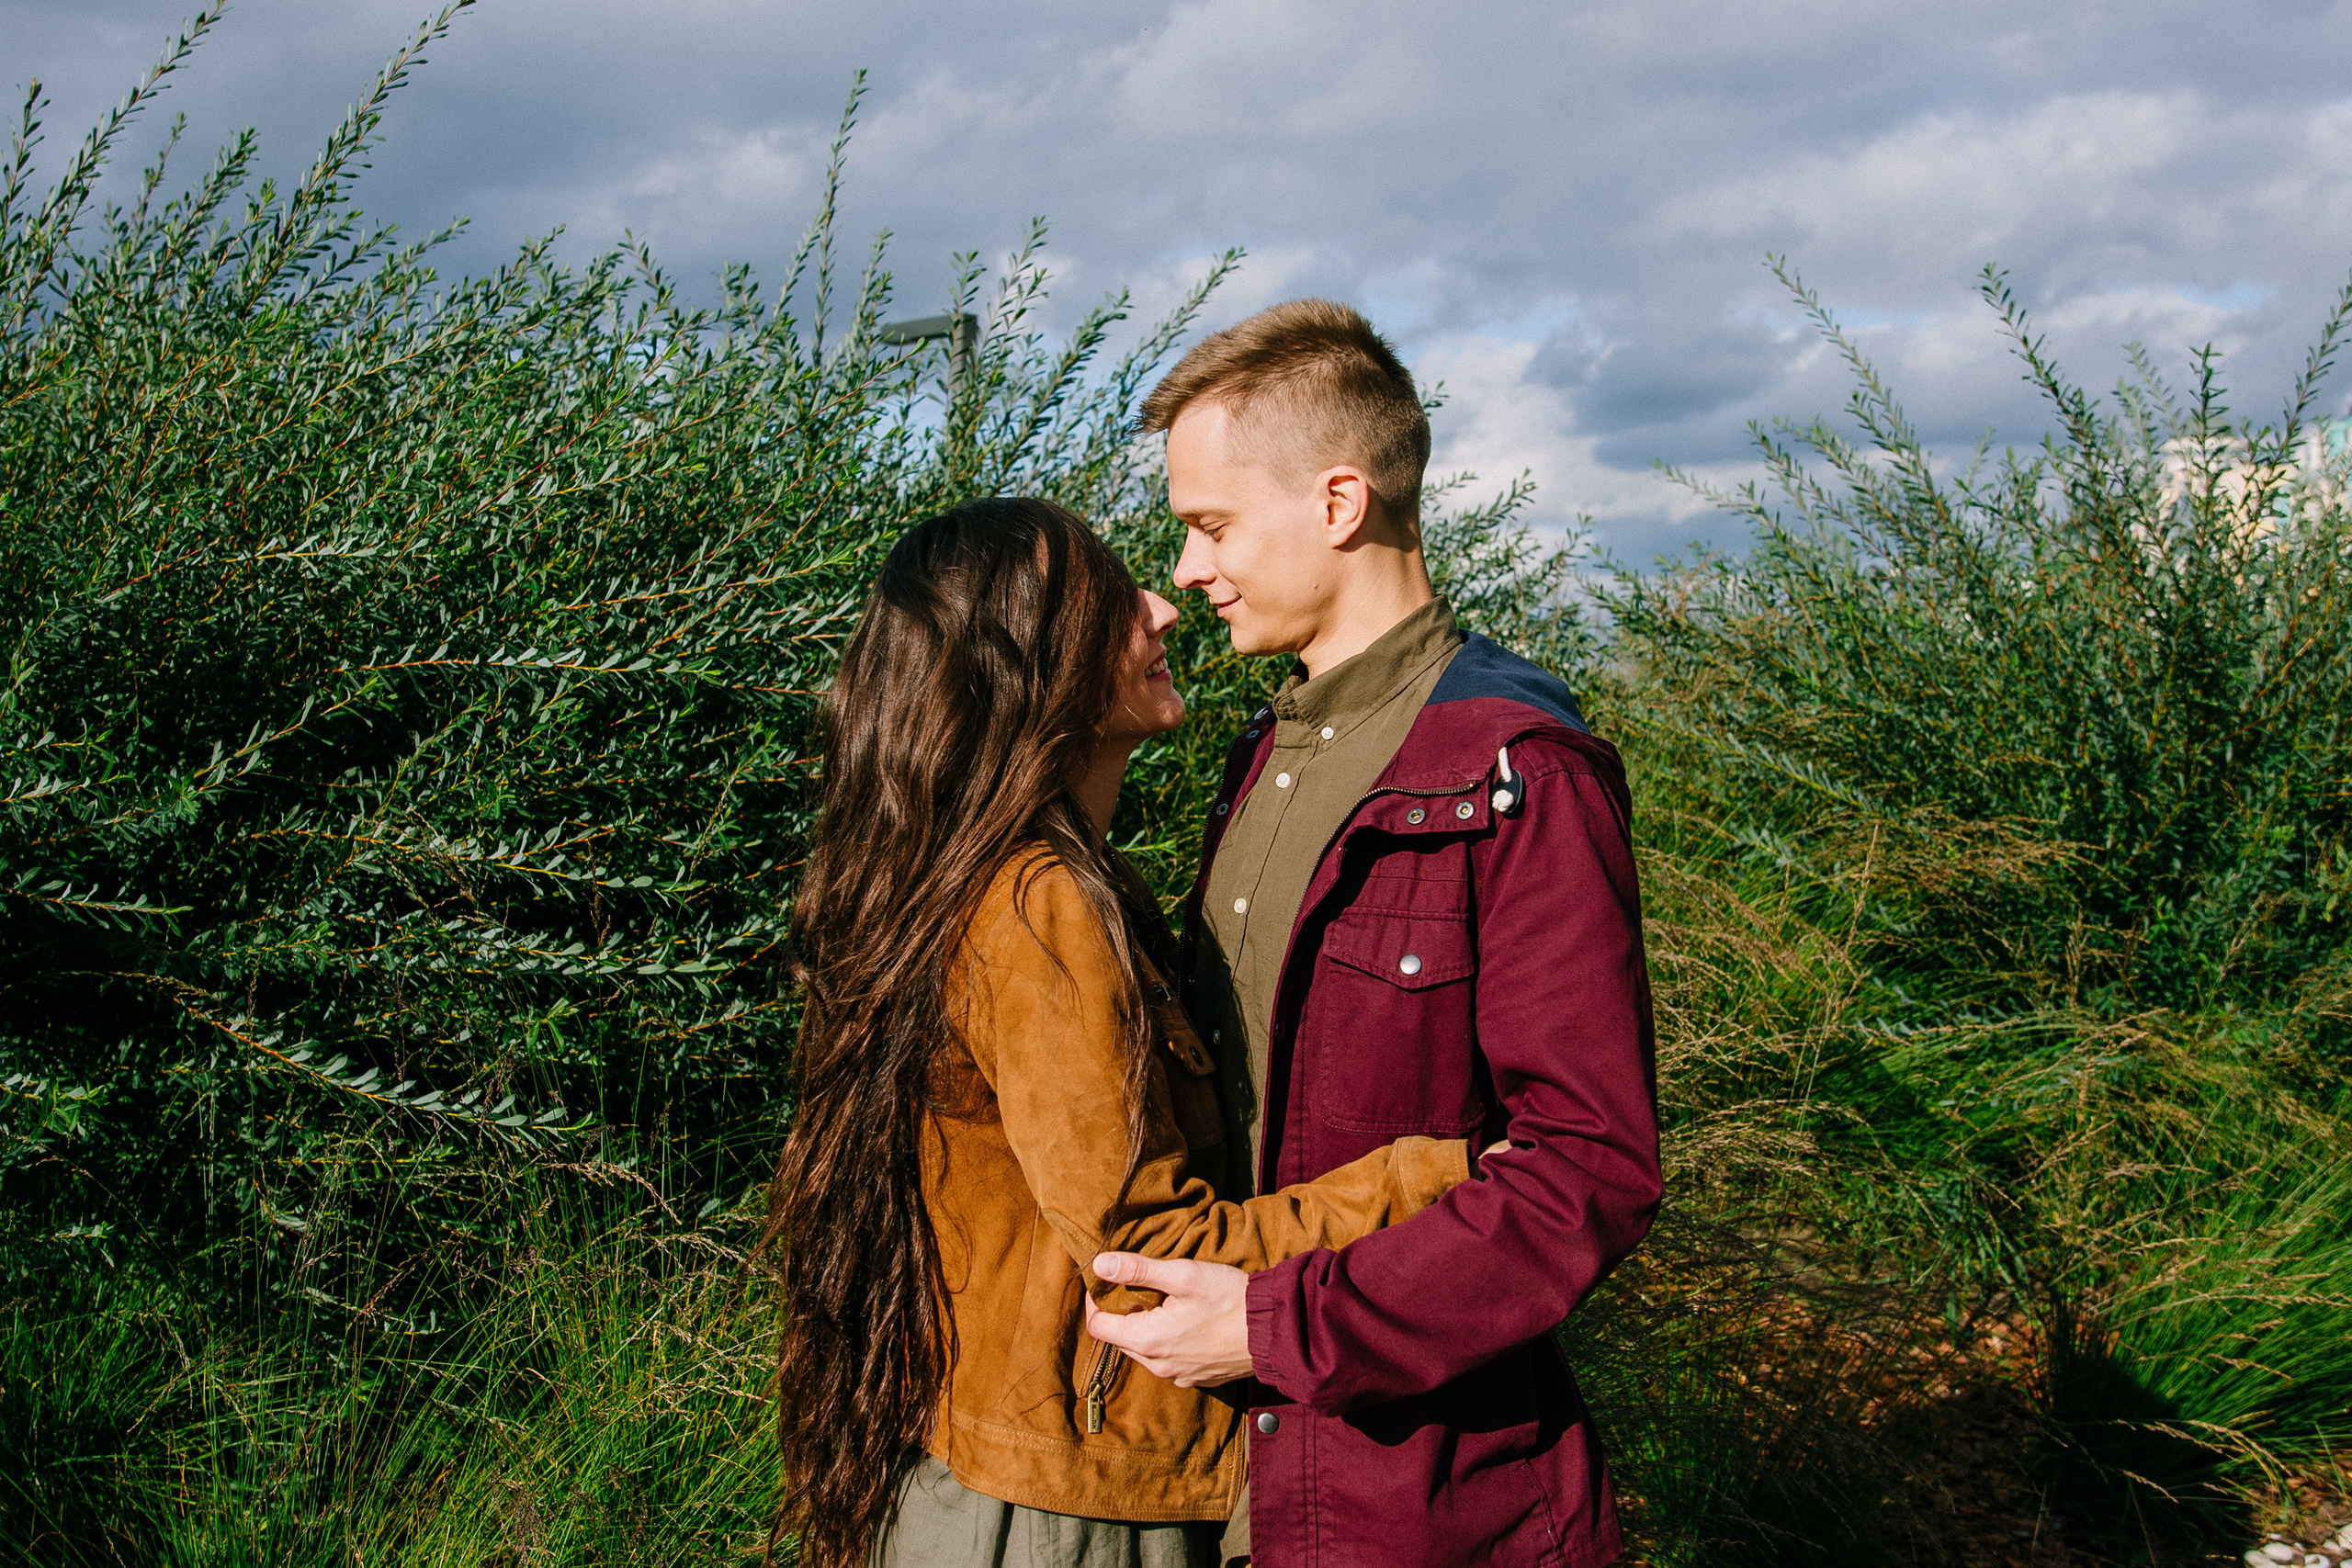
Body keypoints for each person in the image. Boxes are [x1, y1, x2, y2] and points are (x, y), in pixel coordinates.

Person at [763, 497, 1483, 1568]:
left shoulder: (1039, 878)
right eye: (1111, 602)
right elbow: (1148, 1257)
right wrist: (1447, 1173)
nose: (1162, 608)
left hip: (1026, 1475)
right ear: (1029, 660)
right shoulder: (1036, 904)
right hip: (1062, 1515)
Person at [1082, 300, 1663, 1568]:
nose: (1187, 570)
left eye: (1212, 525)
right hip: (1225, 1480)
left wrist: (1281, 1327)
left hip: (1425, 1500)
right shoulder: (1266, 752)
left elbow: (1585, 1169)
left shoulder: (1516, 769)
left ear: (1339, 502)